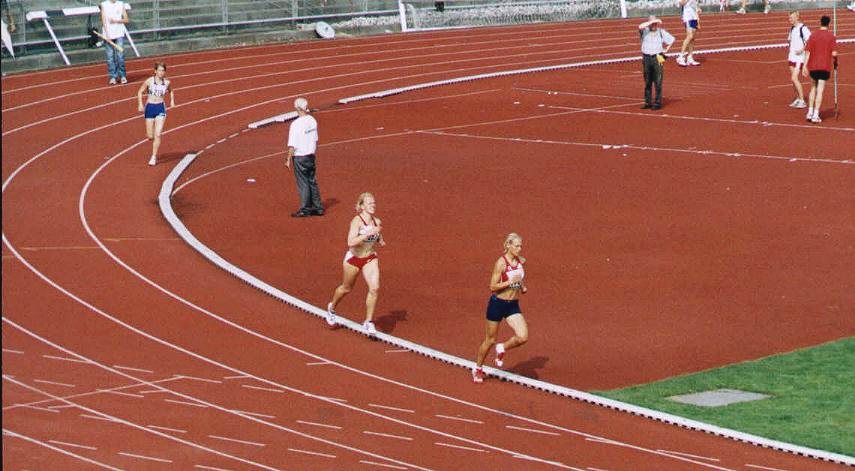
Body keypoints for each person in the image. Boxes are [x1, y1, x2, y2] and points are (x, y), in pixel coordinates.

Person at [472, 233, 529, 384]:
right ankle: (478, 368)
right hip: (498, 304)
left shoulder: (520, 261)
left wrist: (522, 287)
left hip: (512, 305)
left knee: (523, 337)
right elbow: (492, 286)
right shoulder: (501, 263)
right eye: (517, 246)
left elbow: (519, 277)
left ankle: (502, 348)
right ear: (509, 245)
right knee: (490, 340)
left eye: (521, 246)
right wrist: (509, 282)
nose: (519, 248)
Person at [326, 192, 386, 335]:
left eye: (374, 203)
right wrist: (366, 234)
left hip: (370, 258)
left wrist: (380, 240)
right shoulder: (356, 221)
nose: (373, 205)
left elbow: (378, 233)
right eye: (369, 203)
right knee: (346, 288)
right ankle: (331, 308)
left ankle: (368, 322)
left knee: (374, 288)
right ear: (362, 206)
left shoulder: (377, 221)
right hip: (353, 259)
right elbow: (350, 242)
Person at [285, 97, 324, 217]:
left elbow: (292, 145)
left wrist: (287, 159)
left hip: (300, 156)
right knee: (312, 180)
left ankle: (305, 208)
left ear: (297, 108)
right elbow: (315, 138)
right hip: (311, 154)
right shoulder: (312, 120)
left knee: (303, 183)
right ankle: (317, 207)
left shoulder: (295, 124)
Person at [137, 62, 175, 166]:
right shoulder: (149, 81)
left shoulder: (167, 83)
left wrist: (172, 101)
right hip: (149, 108)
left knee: (158, 134)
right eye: (159, 70)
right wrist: (140, 104)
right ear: (155, 71)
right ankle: (151, 136)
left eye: (163, 70)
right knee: (150, 136)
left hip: (160, 108)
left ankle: (153, 157)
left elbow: (171, 91)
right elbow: (140, 91)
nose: (161, 72)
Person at [802, 15, 838, 123]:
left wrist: (804, 65)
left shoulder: (813, 35)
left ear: (820, 22)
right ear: (829, 24)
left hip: (813, 66)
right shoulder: (831, 36)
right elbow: (834, 53)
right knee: (820, 90)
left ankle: (810, 112)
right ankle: (816, 114)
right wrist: (836, 59)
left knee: (813, 88)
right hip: (824, 66)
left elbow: (807, 51)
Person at [639, 16, 675, 111]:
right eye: (652, 24)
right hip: (646, 57)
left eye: (655, 23)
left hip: (658, 57)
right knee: (647, 81)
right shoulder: (645, 31)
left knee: (658, 81)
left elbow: (672, 39)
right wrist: (652, 21)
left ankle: (658, 102)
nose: (654, 25)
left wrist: (666, 49)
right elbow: (640, 26)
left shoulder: (661, 32)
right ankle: (647, 102)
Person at [100, 0, 129, 84]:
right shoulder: (104, 4)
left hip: (119, 33)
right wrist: (106, 34)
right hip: (108, 35)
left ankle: (122, 76)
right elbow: (103, 20)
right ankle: (113, 77)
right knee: (110, 57)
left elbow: (126, 19)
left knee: (120, 56)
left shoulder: (121, 4)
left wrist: (116, 21)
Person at [786, 11, 810, 109]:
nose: (789, 19)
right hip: (792, 57)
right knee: (793, 80)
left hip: (799, 58)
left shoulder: (803, 28)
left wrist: (802, 50)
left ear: (797, 17)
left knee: (794, 78)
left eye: (791, 18)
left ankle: (802, 100)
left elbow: (810, 41)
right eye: (789, 18)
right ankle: (797, 98)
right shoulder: (792, 28)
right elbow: (789, 40)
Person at [677, 0, 700, 67]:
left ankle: (690, 57)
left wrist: (698, 8)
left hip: (694, 17)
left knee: (692, 38)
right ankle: (681, 57)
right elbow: (681, 3)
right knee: (689, 36)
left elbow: (696, 5)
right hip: (687, 17)